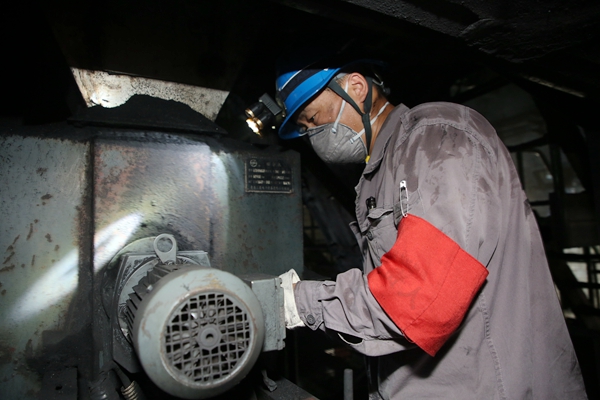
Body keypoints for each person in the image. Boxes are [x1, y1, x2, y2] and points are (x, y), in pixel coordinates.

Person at [275, 51, 587, 399]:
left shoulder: (438, 139)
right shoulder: (380, 172)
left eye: (313, 119)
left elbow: (420, 297)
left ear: (357, 87)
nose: (313, 135)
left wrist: (298, 302)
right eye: (305, 130)